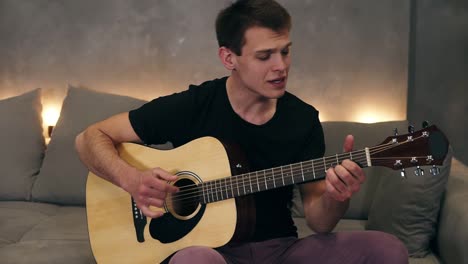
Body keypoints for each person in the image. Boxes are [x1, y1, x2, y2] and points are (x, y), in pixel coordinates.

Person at [75, 0, 408, 263]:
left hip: (280, 250)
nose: (281, 66)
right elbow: (89, 138)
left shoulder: (303, 119)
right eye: (264, 56)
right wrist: (131, 181)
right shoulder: (195, 104)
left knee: (387, 250)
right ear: (228, 57)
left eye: (286, 51)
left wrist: (337, 198)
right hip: (207, 252)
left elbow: (320, 222)